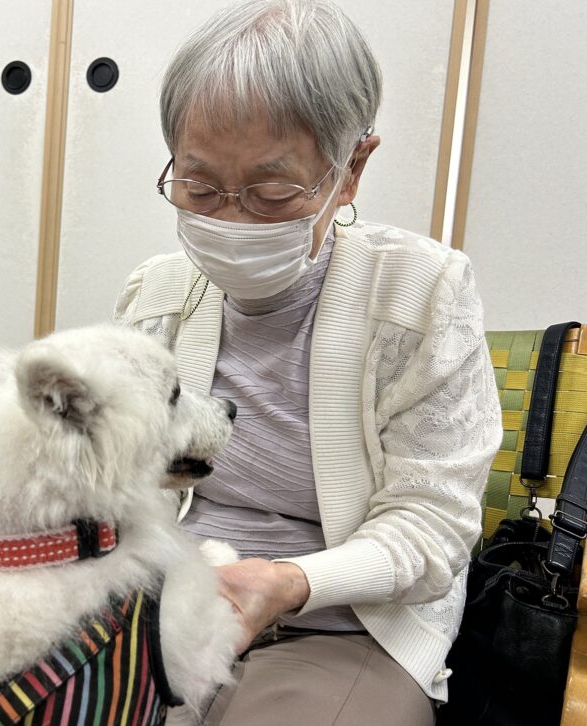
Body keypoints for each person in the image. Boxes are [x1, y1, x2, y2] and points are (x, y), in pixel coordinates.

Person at [113, 1, 502, 724]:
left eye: (269, 193)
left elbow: (432, 523)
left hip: (346, 623)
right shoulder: (157, 295)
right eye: (199, 188)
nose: (228, 220)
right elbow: (117, 476)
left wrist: (291, 582)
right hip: (160, 606)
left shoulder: (422, 295)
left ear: (350, 169)